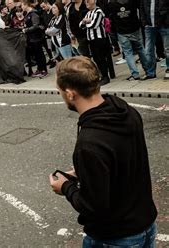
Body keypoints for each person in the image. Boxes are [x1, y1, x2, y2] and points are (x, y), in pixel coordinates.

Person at [49, 56, 158, 247]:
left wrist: (65, 187)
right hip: (146, 225)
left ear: (70, 93)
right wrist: (85, 172)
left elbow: (93, 207)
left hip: (115, 237)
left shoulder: (90, 143)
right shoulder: (126, 111)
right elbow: (123, 162)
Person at [107, 0, 152, 81]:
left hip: (122, 31)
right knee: (141, 49)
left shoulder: (111, 3)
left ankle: (135, 74)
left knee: (128, 53)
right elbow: (140, 9)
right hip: (134, 28)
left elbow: (111, 18)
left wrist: (114, 30)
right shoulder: (133, 1)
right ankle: (148, 71)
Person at [80, 0, 112, 85]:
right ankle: (102, 75)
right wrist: (86, 21)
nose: (86, 3)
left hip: (99, 39)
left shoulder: (99, 11)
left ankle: (106, 77)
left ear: (94, 1)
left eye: (88, 1)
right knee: (96, 59)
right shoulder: (88, 13)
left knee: (101, 58)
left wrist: (86, 22)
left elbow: (94, 25)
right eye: (85, 1)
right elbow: (80, 25)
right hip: (91, 39)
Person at [140, 0, 169, 80]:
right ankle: (150, 73)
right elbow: (142, 9)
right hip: (149, 26)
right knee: (148, 50)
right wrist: (144, 22)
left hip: (164, 24)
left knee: (167, 49)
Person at [22, 0, 48, 77]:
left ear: (26, 5)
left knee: (40, 54)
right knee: (36, 55)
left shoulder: (34, 13)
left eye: (22, 5)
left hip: (37, 38)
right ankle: (39, 69)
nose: (22, 7)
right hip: (31, 38)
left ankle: (43, 70)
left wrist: (26, 30)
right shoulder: (28, 14)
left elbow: (36, 26)